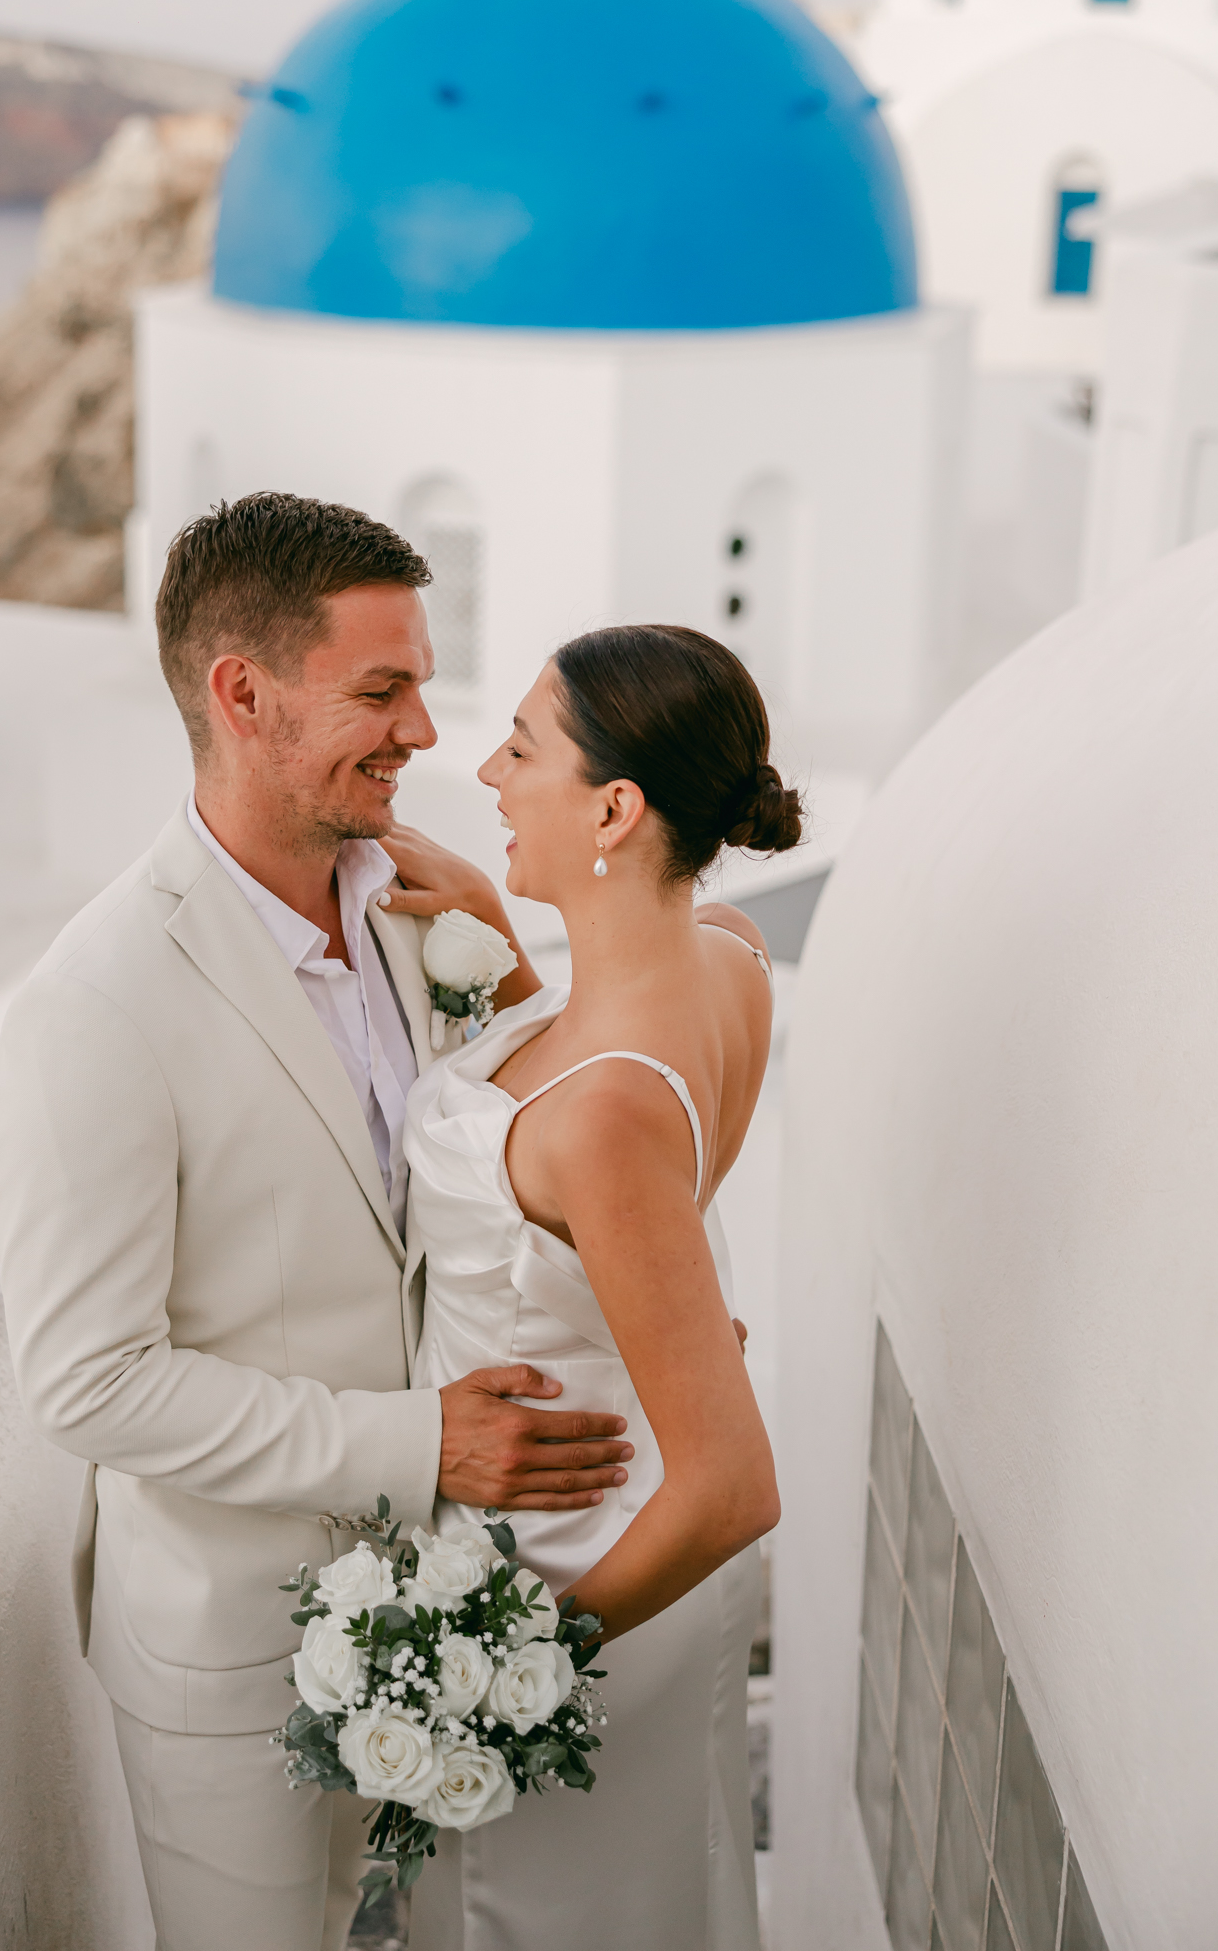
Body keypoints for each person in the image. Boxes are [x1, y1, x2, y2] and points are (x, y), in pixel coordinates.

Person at [0, 494, 636, 1951]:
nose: (425, 731)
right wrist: (421, 1447)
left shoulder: (423, 913)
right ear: (242, 695)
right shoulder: (94, 1007)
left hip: (441, 1617)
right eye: (381, 690)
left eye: (422, 683)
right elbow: (88, 1382)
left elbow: (497, 1171)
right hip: (229, 1662)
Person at [390, 623, 794, 1951]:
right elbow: (607, 1192)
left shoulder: (605, 1113)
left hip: (581, 1566)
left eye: (522, 749)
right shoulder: (729, 958)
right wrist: (502, 943)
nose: (487, 774)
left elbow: (733, 1488)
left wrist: (506, 1671)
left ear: (616, 808)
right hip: (630, 1498)